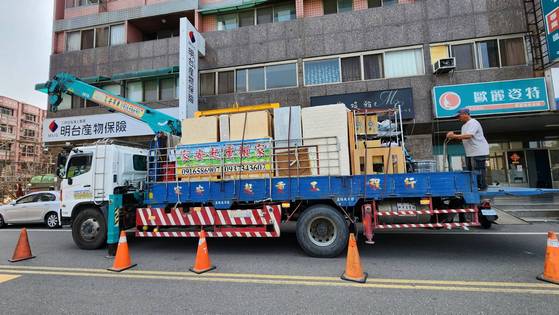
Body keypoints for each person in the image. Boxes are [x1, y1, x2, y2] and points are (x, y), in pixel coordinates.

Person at [446, 108, 489, 191]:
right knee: (470, 170)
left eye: (459, 116)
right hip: (470, 152)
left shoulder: (473, 122)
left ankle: (482, 186)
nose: (458, 118)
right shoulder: (464, 126)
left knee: (478, 170)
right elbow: (464, 137)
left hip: (478, 151)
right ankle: (474, 186)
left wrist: (454, 136)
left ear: (466, 114)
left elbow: (469, 135)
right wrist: (453, 137)